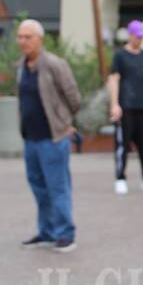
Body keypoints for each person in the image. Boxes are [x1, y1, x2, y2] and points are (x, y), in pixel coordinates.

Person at [15, 19, 82, 253]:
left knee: (58, 187)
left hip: (53, 138)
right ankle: (47, 232)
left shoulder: (54, 64)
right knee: (39, 187)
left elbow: (74, 98)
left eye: (28, 37)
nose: (23, 41)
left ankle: (66, 233)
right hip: (31, 138)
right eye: (20, 37)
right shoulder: (22, 66)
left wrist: (65, 123)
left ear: (40, 39)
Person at [109, 20, 143, 194]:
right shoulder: (120, 56)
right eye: (138, 36)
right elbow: (114, 80)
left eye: (142, 36)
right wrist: (115, 104)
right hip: (126, 106)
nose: (140, 39)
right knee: (122, 144)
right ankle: (120, 178)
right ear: (130, 35)